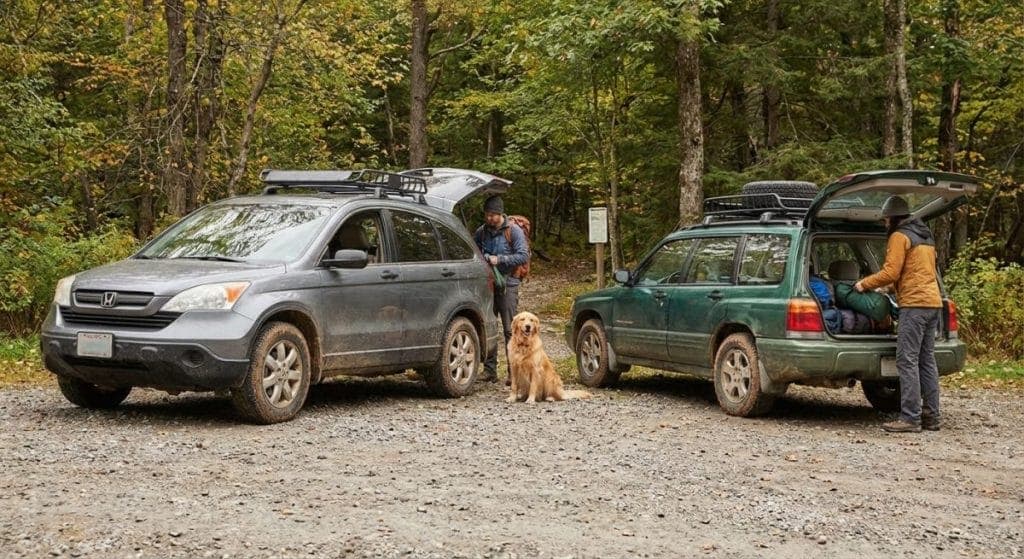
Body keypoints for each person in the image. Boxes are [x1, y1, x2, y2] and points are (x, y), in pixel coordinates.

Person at [854, 195, 942, 433]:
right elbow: (917, 273)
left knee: (907, 360)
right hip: (933, 303)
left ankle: (910, 418)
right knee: (926, 360)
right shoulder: (925, 238)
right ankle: (931, 417)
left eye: (885, 220)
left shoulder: (899, 235)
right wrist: (890, 288)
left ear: (892, 218)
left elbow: (891, 271)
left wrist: (865, 284)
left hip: (914, 306)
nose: (884, 224)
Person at [474, 195, 530, 384]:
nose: (490, 218)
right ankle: (490, 370)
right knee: (488, 325)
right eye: (487, 214)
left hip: (509, 284)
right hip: (489, 285)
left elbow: (523, 255)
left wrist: (500, 260)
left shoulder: (513, 231)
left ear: (500, 214)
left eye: (493, 215)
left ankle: (513, 372)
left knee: (510, 329)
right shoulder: (481, 232)